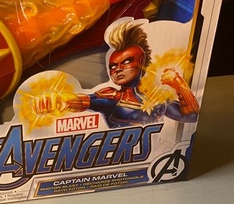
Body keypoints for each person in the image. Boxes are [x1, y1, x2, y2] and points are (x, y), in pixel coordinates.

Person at [34, 19, 199, 128]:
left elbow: (191, 117)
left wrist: (179, 85)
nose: (118, 69)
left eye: (126, 62)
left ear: (141, 61)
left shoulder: (158, 98)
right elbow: (87, 100)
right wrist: (58, 100)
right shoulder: (112, 98)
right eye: (113, 66)